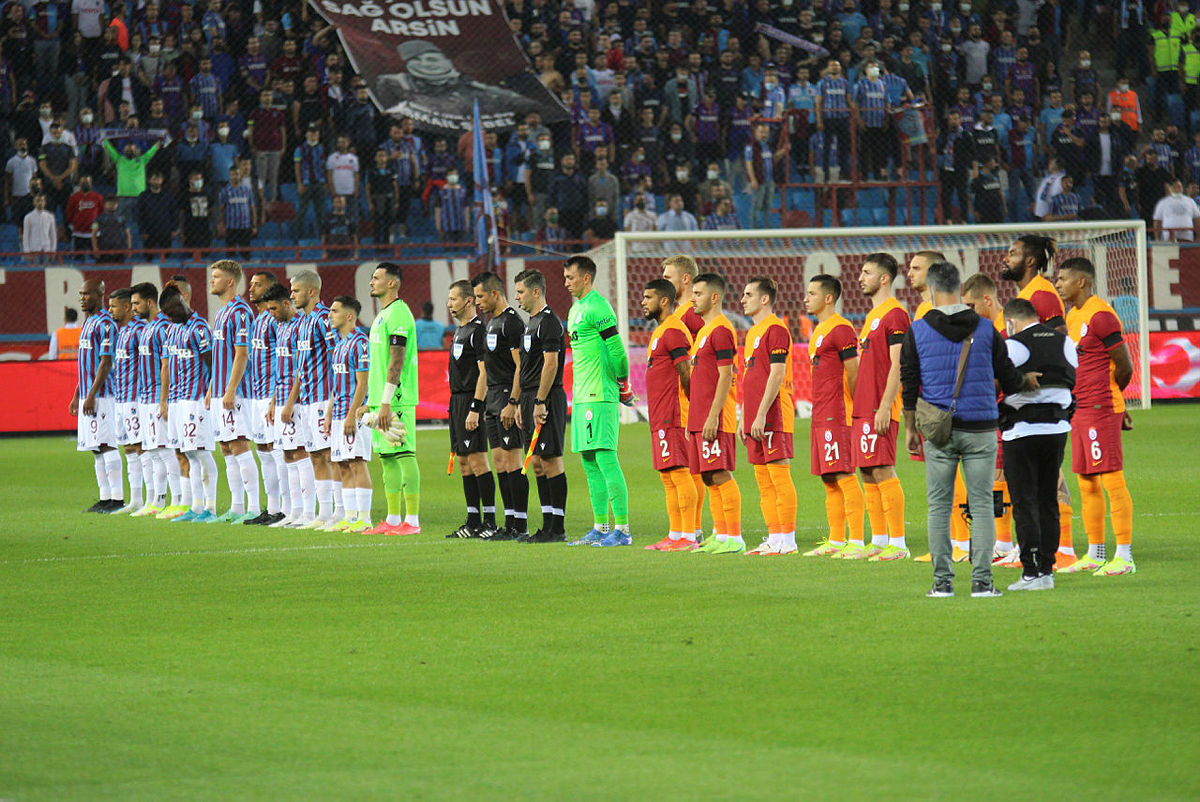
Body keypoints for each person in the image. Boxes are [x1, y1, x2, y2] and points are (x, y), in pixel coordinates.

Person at [900, 261, 1034, 598]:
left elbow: (910, 381)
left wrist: (910, 428)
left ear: (931, 291)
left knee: (939, 507)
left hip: (937, 428)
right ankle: (982, 582)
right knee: (982, 505)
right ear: (961, 290)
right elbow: (1008, 377)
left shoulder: (916, 330)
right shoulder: (987, 329)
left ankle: (942, 583)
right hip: (981, 427)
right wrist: (1028, 382)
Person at [1055, 258, 1138, 576]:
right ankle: (1095, 553)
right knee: (1086, 480)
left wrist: (1112, 399)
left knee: (1111, 479)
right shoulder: (1073, 314)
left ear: (1082, 282)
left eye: (1063, 279)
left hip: (1099, 407)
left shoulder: (1100, 315)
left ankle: (1125, 557)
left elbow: (1125, 364)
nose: (1058, 283)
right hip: (1080, 408)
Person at [1001, 233, 1077, 568]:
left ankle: (1064, 548)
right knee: (1039, 484)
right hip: (1034, 407)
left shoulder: (1042, 295)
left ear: (1030, 260)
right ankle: (1038, 548)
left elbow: (1058, 341)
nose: (1006, 257)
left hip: (1040, 406)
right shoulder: (1027, 295)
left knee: (1046, 484)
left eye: (1013, 253)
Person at [564, 255, 633, 546]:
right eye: (565, 277)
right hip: (581, 397)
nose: (566, 282)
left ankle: (624, 530)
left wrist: (623, 384)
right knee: (589, 462)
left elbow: (617, 350)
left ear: (586, 278)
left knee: (606, 459)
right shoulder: (575, 309)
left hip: (600, 395)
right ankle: (601, 527)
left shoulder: (598, 306)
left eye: (571, 277)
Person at [846, 253, 910, 561]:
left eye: (867, 272)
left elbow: (899, 362)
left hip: (880, 406)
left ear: (884, 278)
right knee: (868, 471)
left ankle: (898, 543)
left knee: (883, 468)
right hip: (864, 405)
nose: (861, 277)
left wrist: (886, 406)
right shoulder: (872, 317)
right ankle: (879, 539)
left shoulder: (895, 314)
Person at [801, 274, 866, 557]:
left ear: (829, 298)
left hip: (838, 412)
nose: (806, 298)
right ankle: (837, 539)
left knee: (843, 473)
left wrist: (857, 408)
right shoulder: (820, 329)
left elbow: (854, 371)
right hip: (821, 411)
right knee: (828, 478)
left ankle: (858, 541)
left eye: (812, 293)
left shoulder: (841, 329)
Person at [738, 277, 799, 556]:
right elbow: (750, 377)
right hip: (754, 417)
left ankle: (788, 539)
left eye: (749, 294)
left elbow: (777, 374)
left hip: (773, 414)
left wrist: (761, 414)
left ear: (765, 299)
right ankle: (775, 537)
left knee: (779, 476)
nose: (743, 299)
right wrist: (744, 416)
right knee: (763, 480)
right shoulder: (752, 334)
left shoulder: (776, 329)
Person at [362, 263, 421, 536]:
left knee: (404, 454)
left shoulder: (399, 313)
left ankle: (413, 521)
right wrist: (373, 401)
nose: (371, 281)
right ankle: (394, 519)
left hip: (396, 399)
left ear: (392, 284)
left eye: (376, 278)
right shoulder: (382, 315)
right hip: (381, 400)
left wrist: (385, 402)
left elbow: (397, 360)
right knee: (387, 459)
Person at [687, 272, 744, 554]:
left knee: (720, 473)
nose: (692, 299)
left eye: (697, 294)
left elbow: (725, 376)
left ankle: (734, 537)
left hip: (716, 417)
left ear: (714, 297)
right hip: (700, 416)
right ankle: (720, 534)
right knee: (709, 477)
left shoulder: (721, 329)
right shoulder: (704, 332)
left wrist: (712, 416)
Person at [640, 279, 699, 552]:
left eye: (648, 297)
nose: (643, 302)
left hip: (674, 414)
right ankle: (675, 534)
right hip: (660, 413)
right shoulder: (662, 330)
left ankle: (688, 534)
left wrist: (692, 407)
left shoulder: (674, 330)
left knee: (679, 472)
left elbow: (685, 371)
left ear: (664, 301)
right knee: (667, 475)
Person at [961, 272, 1016, 562]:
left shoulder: (1007, 329)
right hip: (993, 412)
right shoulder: (986, 329)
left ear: (987, 299)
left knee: (1010, 476)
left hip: (1010, 414)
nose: (967, 312)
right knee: (999, 475)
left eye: (970, 306)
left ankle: (1018, 544)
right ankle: (1004, 545)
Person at [471, 271, 528, 541]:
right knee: (499, 462)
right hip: (492, 399)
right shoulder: (491, 324)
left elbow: (521, 367)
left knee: (512, 460)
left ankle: (521, 524)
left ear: (495, 294)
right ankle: (508, 523)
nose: (477, 302)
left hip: (507, 396)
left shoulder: (512, 324)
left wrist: (512, 402)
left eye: (480, 296)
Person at [513, 269, 569, 543]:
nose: (517, 297)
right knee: (536, 463)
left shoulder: (549, 322)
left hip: (545, 397)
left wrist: (539, 401)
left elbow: (551, 364)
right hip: (529, 398)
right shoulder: (530, 323)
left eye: (521, 292)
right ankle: (547, 525)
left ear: (536, 291)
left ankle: (557, 528)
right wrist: (521, 403)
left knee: (551, 460)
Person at [159, 281, 220, 523]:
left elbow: (213, 363)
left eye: (174, 309)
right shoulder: (172, 329)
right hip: (177, 400)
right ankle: (195, 507)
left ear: (184, 301)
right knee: (189, 454)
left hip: (196, 400)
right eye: (168, 313)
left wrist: (211, 391)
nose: (171, 316)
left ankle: (212, 508)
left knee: (202, 452)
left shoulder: (200, 327)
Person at [206, 260, 260, 524]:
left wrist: (230, 389)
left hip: (234, 393)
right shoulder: (221, 313)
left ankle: (254, 506)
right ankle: (237, 507)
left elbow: (242, 354)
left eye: (216, 276)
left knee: (239, 444)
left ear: (230, 282)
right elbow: (220, 357)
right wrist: (211, 390)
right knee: (227, 447)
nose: (211, 280)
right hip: (219, 391)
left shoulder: (240, 312)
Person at [445, 279, 498, 539]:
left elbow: (484, 373)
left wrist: (476, 408)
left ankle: (489, 521)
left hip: (471, 401)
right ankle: (473, 520)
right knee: (464, 463)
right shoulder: (459, 331)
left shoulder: (479, 330)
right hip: (457, 402)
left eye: (453, 298)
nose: (449, 303)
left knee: (478, 460)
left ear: (468, 301)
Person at [285, 271, 337, 528]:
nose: (291, 295)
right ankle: (324, 513)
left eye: (295, 290)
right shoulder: (302, 322)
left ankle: (341, 512)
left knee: (329, 454)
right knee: (315, 454)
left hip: (324, 397)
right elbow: (300, 366)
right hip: (306, 399)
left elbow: (338, 354)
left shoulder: (324, 319)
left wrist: (334, 399)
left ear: (312, 292)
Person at [130, 283, 182, 518]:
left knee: (165, 450)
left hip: (157, 397)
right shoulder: (148, 328)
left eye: (137, 303)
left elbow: (166, 365)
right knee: (152, 451)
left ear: (149, 303)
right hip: (145, 397)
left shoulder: (162, 328)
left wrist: (164, 399)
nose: (133, 308)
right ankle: (156, 500)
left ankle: (176, 499)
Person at [71, 279, 122, 513]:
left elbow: (106, 362)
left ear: (100, 294)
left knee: (106, 444)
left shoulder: (106, 324)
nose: (82, 298)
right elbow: (85, 365)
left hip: (103, 396)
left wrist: (91, 395)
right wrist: (77, 395)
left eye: (87, 294)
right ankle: (104, 498)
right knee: (95, 447)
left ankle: (117, 499)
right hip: (89, 395)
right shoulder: (88, 323)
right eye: (80, 294)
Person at [323, 295, 373, 532]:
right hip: (340, 413)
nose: (330, 314)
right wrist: (330, 413)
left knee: (356, 463)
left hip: (354, 415)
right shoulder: (339, 344)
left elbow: (362, 383)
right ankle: (350, 517)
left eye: (334, 311)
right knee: (342, 464)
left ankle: (364, 518)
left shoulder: (360, 342)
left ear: (349, 316)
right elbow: (336, 384)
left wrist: (352, 414)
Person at [242, 271, 288, 526]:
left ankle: (285, 508)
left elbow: (280, 362)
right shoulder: (259, 320)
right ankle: (271, 508)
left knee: (279, 450)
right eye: (251, 284)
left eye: (257, 285)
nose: (251, 288)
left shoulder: (274, 321)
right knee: (263, 451)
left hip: (272, 394)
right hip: (255, 395)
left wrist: (273, 398)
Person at [262, 282, 309, 528]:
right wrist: (273, 402)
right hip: (280, 398)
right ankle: (293, 511)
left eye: (273, 309)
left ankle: (307, 513)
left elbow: (301, 370)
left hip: (297, 401)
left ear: (287, 304)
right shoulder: (280, 328)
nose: (271, 314)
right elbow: (280, 371)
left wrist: (290, 402)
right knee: (287, 454)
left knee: (300, 452)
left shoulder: (300, 327)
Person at [107, 288, 147, 515]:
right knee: (129, 448)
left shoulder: (140, 330)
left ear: (126, 308)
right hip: (121, 398)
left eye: (113, 306)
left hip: (135, 398)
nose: (110, 310)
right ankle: (136, 499)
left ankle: (152, 498)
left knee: (141, 447)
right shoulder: (123, 331)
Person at [217, 165, 257, 261]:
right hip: (231, 227)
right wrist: (222, 224)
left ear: (241, 175)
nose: (234, 176)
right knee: (230, 256)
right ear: (229, 176)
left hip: (245, 227)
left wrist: (254, 225)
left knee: (246, 255)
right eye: (232, 174)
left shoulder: (247, 190)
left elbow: (253, 208)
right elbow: (221, 209)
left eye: (237, 174)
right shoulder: (225, 191)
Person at [21, 193, 56, 261]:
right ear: (34, 202)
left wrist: (53, 251)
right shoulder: (28, 217)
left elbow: (53, 235)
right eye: (38, 201)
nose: (40, 203)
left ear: (45, 202)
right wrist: (27, 252)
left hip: (47, 250)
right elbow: (26, 236)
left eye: (42, 201)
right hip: (34, 249)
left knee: (47, 270)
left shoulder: (50, 216)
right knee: (35, 270)